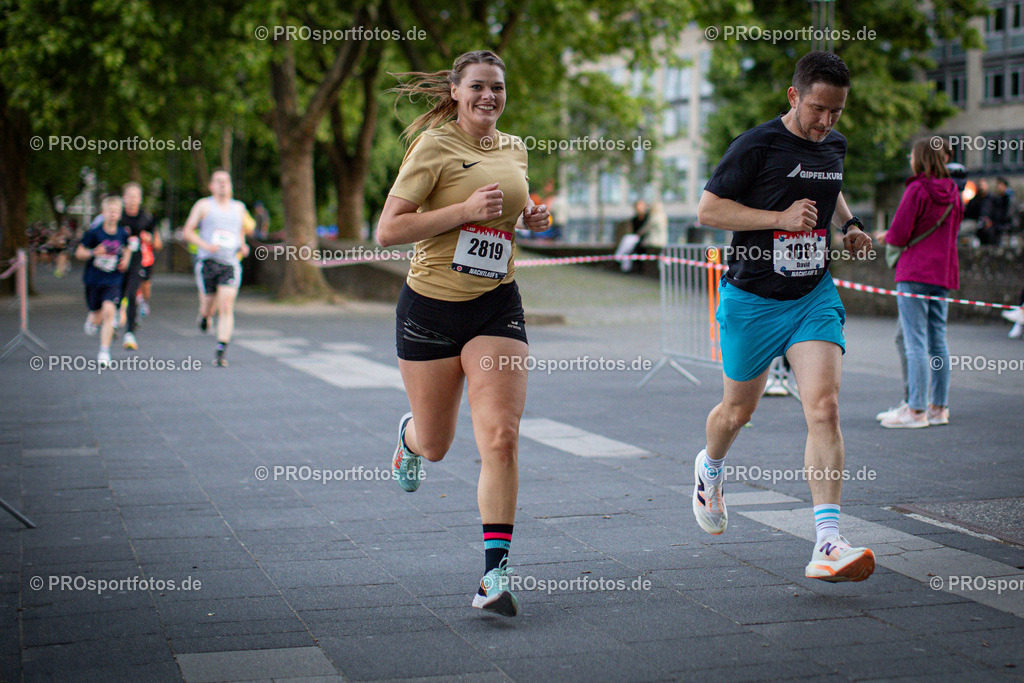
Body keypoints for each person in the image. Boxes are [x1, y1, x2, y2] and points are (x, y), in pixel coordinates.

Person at [376, 49, 550, 617]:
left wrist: (529, 218)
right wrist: (463, 210)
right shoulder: (433, 146)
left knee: (500, 436)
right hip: (430, 309)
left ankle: (494, 575)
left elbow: (509, 212)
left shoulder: (515, 147)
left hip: (496, 305)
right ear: (455, 91)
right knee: (438, 444)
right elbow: (388, 231)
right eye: (477, 86)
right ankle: (410, 439)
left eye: (497, 87)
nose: (489, 97)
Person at [692, 52, 876, 582]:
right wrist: (779, 218)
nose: (826, 123)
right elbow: (708, 210)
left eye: (836, 113)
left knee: (825, 407)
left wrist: (851, 224)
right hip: (752, 299)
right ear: (794, 97)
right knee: (736, 413)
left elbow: (830, 184)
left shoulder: (833, 144)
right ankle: (711, 467)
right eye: (818, 109)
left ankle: (827, 542)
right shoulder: (756, 145)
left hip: (812, 295)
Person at [881, 139, 963, 428]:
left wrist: (887, 236)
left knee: (914, 342)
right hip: (942, 274)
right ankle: (938, 408)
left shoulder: (916, 188)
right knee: (938, 341)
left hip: (914, 272)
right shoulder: (954, 192)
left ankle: (915, 411)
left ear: (920, 158)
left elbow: (899, 234)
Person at [182, 169, 251, 367]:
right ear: (211, 186)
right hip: (207, 263)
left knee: (226, 306)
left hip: (230, 263)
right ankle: (204, 316)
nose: (222, 184)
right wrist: (205, 246)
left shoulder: (239, 208)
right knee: (208, 306)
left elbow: (240, 233)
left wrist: (242, 246)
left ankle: (221, 349)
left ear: (230, 186)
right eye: (218, 181)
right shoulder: (204, 206)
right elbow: (187, 231)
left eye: (226, 181)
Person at [75, 196, 131, 367]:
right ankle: (92, 318)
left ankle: (104, 351)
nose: (113, 214)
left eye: (116, 211)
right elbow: (79, 253)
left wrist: (125, 261)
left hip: (113, 280)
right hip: (94, 280)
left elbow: (127, 248)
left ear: (120, 214)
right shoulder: (94, 232)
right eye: (110, 211)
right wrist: (93, 252)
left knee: (109, 311)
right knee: (97, 315)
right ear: (103, 212)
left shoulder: (122, 233)